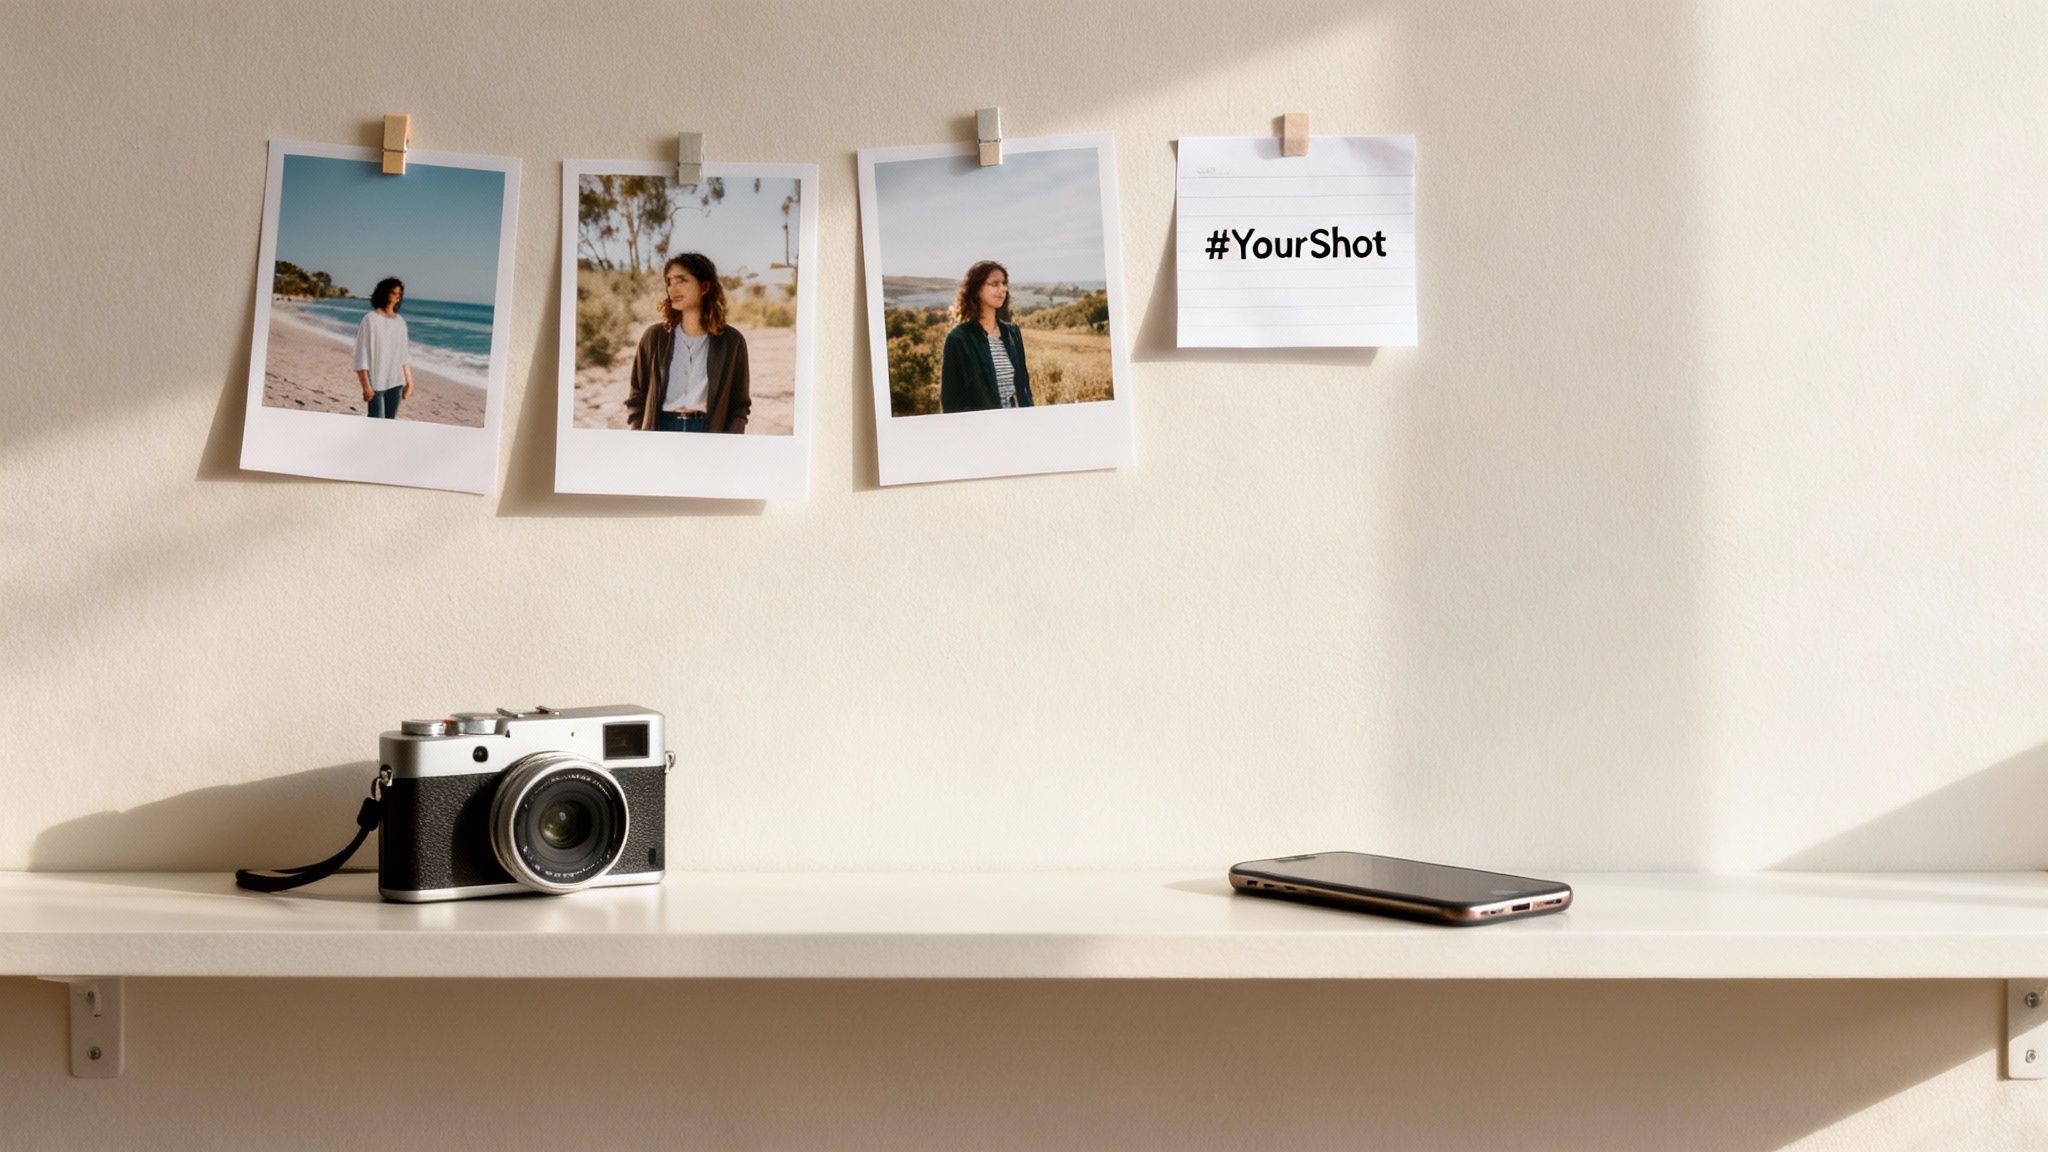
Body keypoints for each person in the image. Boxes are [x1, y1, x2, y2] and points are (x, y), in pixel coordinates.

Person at [626, 253, 750, 433]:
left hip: (707, 431)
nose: (672, 289)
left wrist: (729, 444)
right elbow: (636, 396)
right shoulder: (654, 337)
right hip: (660, 429)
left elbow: (740, 406)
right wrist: (638, 435)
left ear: (705, 286)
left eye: (681, 280)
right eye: (669, 282)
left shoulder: (732, 342)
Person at [939, 260, 1033, 413]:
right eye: (995, 284)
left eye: (1004, 283)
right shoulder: (958, 339)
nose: (1003, 289)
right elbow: (950, 402)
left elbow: (1024, 388)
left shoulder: (1013, 333)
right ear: (977, 290)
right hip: (983, 430)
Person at [354, 277, 413, 419]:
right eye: (393, 293)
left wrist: (409, 383)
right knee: (376, 426)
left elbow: (403, 356)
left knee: (389, 427)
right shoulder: (370, 319)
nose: (396, 297)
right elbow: (361, 355)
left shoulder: (400, 322)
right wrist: (366, 386)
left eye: (399, 294)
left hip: (396, 383)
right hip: (376, 383)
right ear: (384, 293)